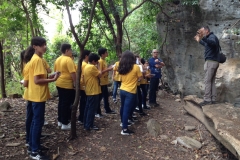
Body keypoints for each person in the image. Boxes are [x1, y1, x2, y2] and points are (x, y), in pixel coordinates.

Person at [27, 37, 59, 160]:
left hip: (35, 94)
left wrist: (50, 76)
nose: (44, 47)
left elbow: (38, 77)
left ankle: (33, 145)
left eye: (45, 44)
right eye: (42, 45)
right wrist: (52, 79)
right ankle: (34, 151)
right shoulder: (38, 60)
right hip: (37, 96)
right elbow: (37, 80)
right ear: (35, 46)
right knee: (37, 122)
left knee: (35, 121)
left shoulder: (36, 59)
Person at [194, 26, 219, 106]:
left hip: (211, 62)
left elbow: (212, 43)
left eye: (202, 31)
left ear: (206, 30)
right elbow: (207, 44)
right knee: (211, 81)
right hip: (214, 62)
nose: (200, 32)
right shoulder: (211, 38)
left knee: (207, 81)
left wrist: (203, 37)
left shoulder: (212, 37)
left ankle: (207, 99)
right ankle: (213, 99)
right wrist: (199, 40)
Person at [118, 50, 142, 135]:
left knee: (123, 107)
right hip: (130, 91)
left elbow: (120, 78)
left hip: (122, 89)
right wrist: (136, 79)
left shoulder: (121, 66)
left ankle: (123, 122)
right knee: (126, 110)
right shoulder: (136, 67)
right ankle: (124, 129)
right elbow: (140, 77)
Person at [54, 43, 76, 130]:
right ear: (67, 50)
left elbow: (56, 71)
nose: (71, 52)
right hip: (66, 84)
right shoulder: (68, 59)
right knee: (66, 104)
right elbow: (72, 73)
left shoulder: (58, 59)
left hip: (59, 83)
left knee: (61, 102)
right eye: (70, 50)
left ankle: (60, 120)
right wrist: (75, 83)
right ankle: (65, 123)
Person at [83, 53, 102, 130]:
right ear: (93, 61)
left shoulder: (86, 66)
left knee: (88, 108)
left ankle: (86, 123)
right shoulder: (92, 67)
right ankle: (89, 125)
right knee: (92, 109)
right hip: (93, 91)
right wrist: (99, 66)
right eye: (96, 61)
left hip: (89, 90)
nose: (97, 62)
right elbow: (100, 74)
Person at [96, 48, 115, 117]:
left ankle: (107, 109)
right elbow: (100, 72)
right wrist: (108, 69)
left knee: (106, 96)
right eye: (106, 52)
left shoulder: (104, 61)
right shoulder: (100, 61)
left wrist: (109, 68)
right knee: (100, 97)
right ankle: (97, 112)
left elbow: (104, 69)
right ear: (102, 54)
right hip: (101, 82)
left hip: (105, 81)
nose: (107, 53)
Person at [77, 50, 91, 124]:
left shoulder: (82, 64)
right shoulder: (85, 65)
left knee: (83, 102)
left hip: (82, 86)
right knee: (84, 103)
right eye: (89, 55)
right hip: (84, 86)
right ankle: (82, 118)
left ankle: (81, 117)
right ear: (86, 56)